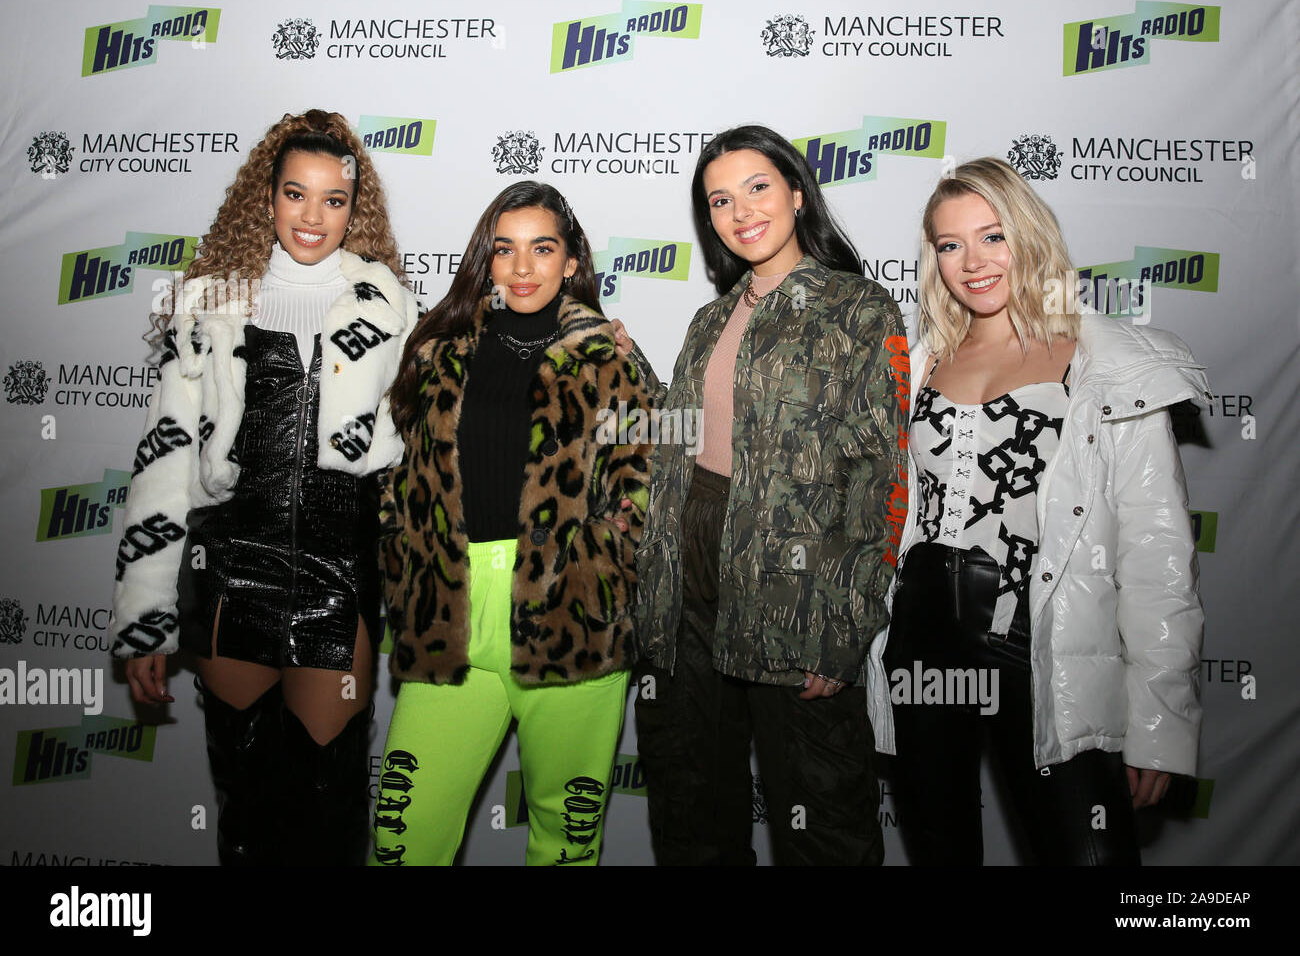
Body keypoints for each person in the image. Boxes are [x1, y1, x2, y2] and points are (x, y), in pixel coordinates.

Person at [865, 157, 1208, 865]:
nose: (972, 261)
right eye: (949, 244)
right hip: (924, 638)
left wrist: (1158, 722)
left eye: (992, 236)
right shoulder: (921, 359)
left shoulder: (1109, 365)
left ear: (1029, 235)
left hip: (1046, 642)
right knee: (940, 848)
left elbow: (1156, 557)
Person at [110, 109, 420, 865]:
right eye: (295, 194)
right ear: (267, 198)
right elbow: (165, 464)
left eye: (334, 199)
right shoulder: (209, 306)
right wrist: (146, 618)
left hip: (337, 572)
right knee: (247, 809)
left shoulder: (390, 308)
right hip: (232, 570)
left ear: (355, 208)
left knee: (330, 803)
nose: (313, 216)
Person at [629, 124, 909, 865]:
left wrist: (844, 627)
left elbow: (879, 478)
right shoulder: (709, 319)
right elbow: (691, 432)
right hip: (687, 568)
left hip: (795, 584)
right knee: (693, 808)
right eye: (719, 199)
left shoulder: (860, 309)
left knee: (821, 820)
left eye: (756, 188)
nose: (740, 210)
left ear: (794, 193)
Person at [375, 181, 655, 866]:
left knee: (566, 845)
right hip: (451, 613)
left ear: (571, 261)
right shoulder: (436, 354)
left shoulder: (608, 359)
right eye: (505, 250)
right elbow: (397, 481)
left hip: (571, 618)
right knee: (401, 834)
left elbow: (644, 484)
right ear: (485, 261)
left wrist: (598, 572)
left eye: (542, 249)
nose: (523, 268)